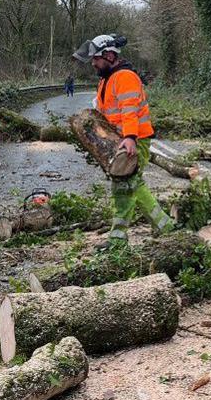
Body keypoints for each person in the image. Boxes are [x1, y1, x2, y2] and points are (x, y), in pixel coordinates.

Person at [72, 34, 175, 246]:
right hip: (118, 140)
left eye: (96, 59)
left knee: (132, 184)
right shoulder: (106, 79)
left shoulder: (125, 77)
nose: (93, 63)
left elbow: (130, 111)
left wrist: (129, 138)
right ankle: (118, 237)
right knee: (121, 189)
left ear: (109, 55)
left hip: (134, 138)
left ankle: (166, 227)